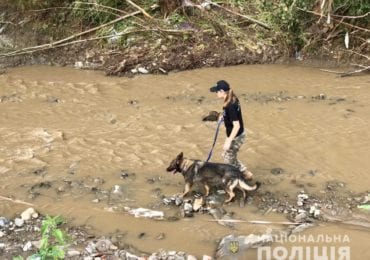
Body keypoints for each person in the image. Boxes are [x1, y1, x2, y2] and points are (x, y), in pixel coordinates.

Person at [209, 80, 253, 180]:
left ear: (222, 91)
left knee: (227, 157)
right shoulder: (231, 98)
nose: (216, 93)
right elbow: (232, 115)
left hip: (236, 136)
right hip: (236, 134)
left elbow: (236, 125)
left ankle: (245, 174)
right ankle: (241, 174)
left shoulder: (230, 105)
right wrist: (223, 116)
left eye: (216, 91)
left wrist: (228, 140)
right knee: (228, 155)